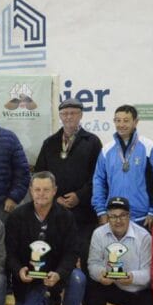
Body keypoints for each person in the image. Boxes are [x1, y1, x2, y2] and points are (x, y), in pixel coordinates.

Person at [5, 171, 86, 305]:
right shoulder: (16, 217)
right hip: (28, 280)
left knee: (78, 278)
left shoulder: (66, 217)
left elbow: (72, 252)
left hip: (56, 275)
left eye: (46, 190)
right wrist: (19, 270)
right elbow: (9, 253)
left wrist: (59, 273)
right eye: (37, 189)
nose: (41, 194)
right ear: (30, 190)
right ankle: (46, 301)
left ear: (54, 190)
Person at [33, 99, 102, 263]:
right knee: (54, 254)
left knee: (82, 255)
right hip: (54, 211)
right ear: (60, 116)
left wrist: (79, 196)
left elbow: (98, 176)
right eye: (65, 114)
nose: (69, 117)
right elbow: (40, 174)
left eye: (73, 113)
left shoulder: (92, 142)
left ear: (81, 115)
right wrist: (53, 198)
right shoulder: (49, 143)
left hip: (83, 213)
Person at [85, 196, 153, 305]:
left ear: (129, 216)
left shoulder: (144, 236)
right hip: (113, 286)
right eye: (113, 216)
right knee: (92, 284)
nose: (118, 220)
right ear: (108, 217)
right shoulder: (98, 234)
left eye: (122, 215)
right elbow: (93, 263)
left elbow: (149, 272)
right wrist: (100, 274)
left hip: (139, 290)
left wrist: (132, 277)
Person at [92, 104, 153, 229]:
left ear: (135, 122)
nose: (121, 124)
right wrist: (101, 210)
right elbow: (99, 181)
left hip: (143, 218)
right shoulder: (106, 150)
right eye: (118, 120)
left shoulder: (150, 148)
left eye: (126, 120)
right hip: (114, 217)